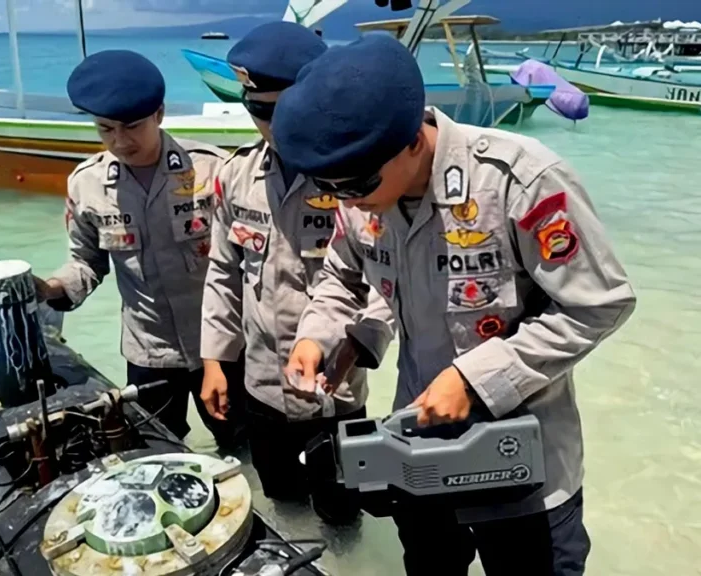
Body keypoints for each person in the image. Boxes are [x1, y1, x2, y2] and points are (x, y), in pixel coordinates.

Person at [275, 35, 637, 575]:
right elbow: (343, 276)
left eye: (357, 184)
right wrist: (322, 334)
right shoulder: (360, 192)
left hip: (523, 466)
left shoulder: (518, 181)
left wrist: (475, 379)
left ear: (414, 140)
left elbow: (598, 305)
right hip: (416, 450)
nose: (347, 201)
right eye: (329, 188)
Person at [199, 22, 393, 523]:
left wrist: (360, 344)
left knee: (343, 512)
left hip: (337, 388)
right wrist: (216, 361)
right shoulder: (235, 176)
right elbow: (223, 271)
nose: (267, 123)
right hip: (262, 383)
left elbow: (383, 277)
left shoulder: (352, 176)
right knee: (281, 501)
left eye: (277, 108)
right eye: (254, 109)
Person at [36, 50, 246, 450]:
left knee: (242, 447)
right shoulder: (87, 184)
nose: (120, 140)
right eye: (105, 129)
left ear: (160, 114)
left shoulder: (212, 169)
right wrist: (51, 288)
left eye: (131, 127)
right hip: (149, 353)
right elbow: (86, 262)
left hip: (221, 348)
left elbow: (246, 262)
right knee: (158, 452)